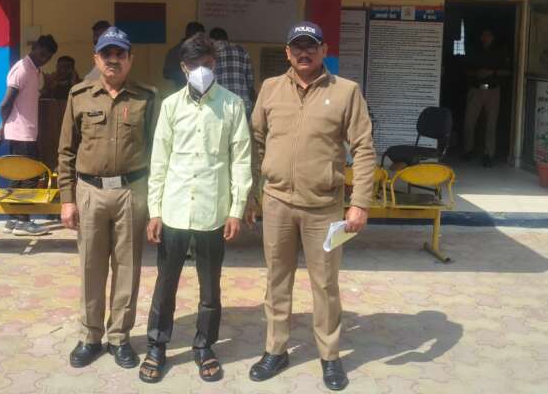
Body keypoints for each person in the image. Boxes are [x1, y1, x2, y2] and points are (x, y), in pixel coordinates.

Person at [246, 21, 376, 391]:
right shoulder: (271, 88)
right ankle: (276, 349)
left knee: (325, 284)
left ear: (323, 51)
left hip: (324, 207)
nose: (304, 53)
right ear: (287, 52)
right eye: (297, 47)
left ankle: (330, 355)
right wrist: (250, 194)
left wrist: (360, 203)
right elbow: (255, 143)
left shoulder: (346, 91)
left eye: (311, 46)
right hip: (277, 203)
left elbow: (364, 149)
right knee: (276, 280)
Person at [139, 33, 252, 384]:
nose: (200, 70)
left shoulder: (232, 105)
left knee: (210, 285)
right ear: (183, 68)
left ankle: (204, 346)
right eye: (193, 64)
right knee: (166, 282)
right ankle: (157, 345)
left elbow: (241, 160)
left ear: (214, 65)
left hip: (212, 211)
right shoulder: (170, 106)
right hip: (174, 209)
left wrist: (236, 209)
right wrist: (155, 210)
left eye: (207, 63)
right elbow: (159, 160)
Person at [58, 27, 161, 370]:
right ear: (96, 59)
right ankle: (90, 336)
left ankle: (119, 337)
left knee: (128, 267)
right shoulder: (79, 95)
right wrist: (67, 199)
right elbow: (66, 151)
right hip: (90, 192)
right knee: (91, 266)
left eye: (120, 54)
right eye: (107, 54)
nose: (113, 60)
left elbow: (157, 151)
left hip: (132, 191)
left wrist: (156, 202)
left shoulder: (146, 97)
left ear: (130, 59)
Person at [0, 34, 58, 236]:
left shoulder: (34, 70)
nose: (43, 59)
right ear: (34, 47)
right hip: (22, 133)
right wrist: (1, 127)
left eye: (48, 57)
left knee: (18, 176)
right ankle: (23, 222)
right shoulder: (21, 69)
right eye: (42, 53)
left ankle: (12, 219)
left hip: (25, 131)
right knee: (30, 176)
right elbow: (5, 103)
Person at [462, 28, 511, 167]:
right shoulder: (475, 51)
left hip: (493, 90)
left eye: (488, 35)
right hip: (475, 89)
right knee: (469, 122)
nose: (485, 37)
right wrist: (477, 73)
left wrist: (491, 72)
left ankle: (488, 155)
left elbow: (508, 71)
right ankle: (468, 150)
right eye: (483, 34)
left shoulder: (500, 52)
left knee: (491, 124)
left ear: (493, 37)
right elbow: (465, 69)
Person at [209, 27, 255, 116]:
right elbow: (250, 80)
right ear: (226, 39)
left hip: (219, 106)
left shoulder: (210, 54)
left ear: (211, 40)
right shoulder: (242, 51)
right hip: (241, 104)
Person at [162, 21, 205, 90]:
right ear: (192, 35)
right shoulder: (175, 51)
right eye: (200, 36)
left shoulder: (203, 50)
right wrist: (189, 74)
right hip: (182, 90)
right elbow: (167, 73)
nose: (202, 39)